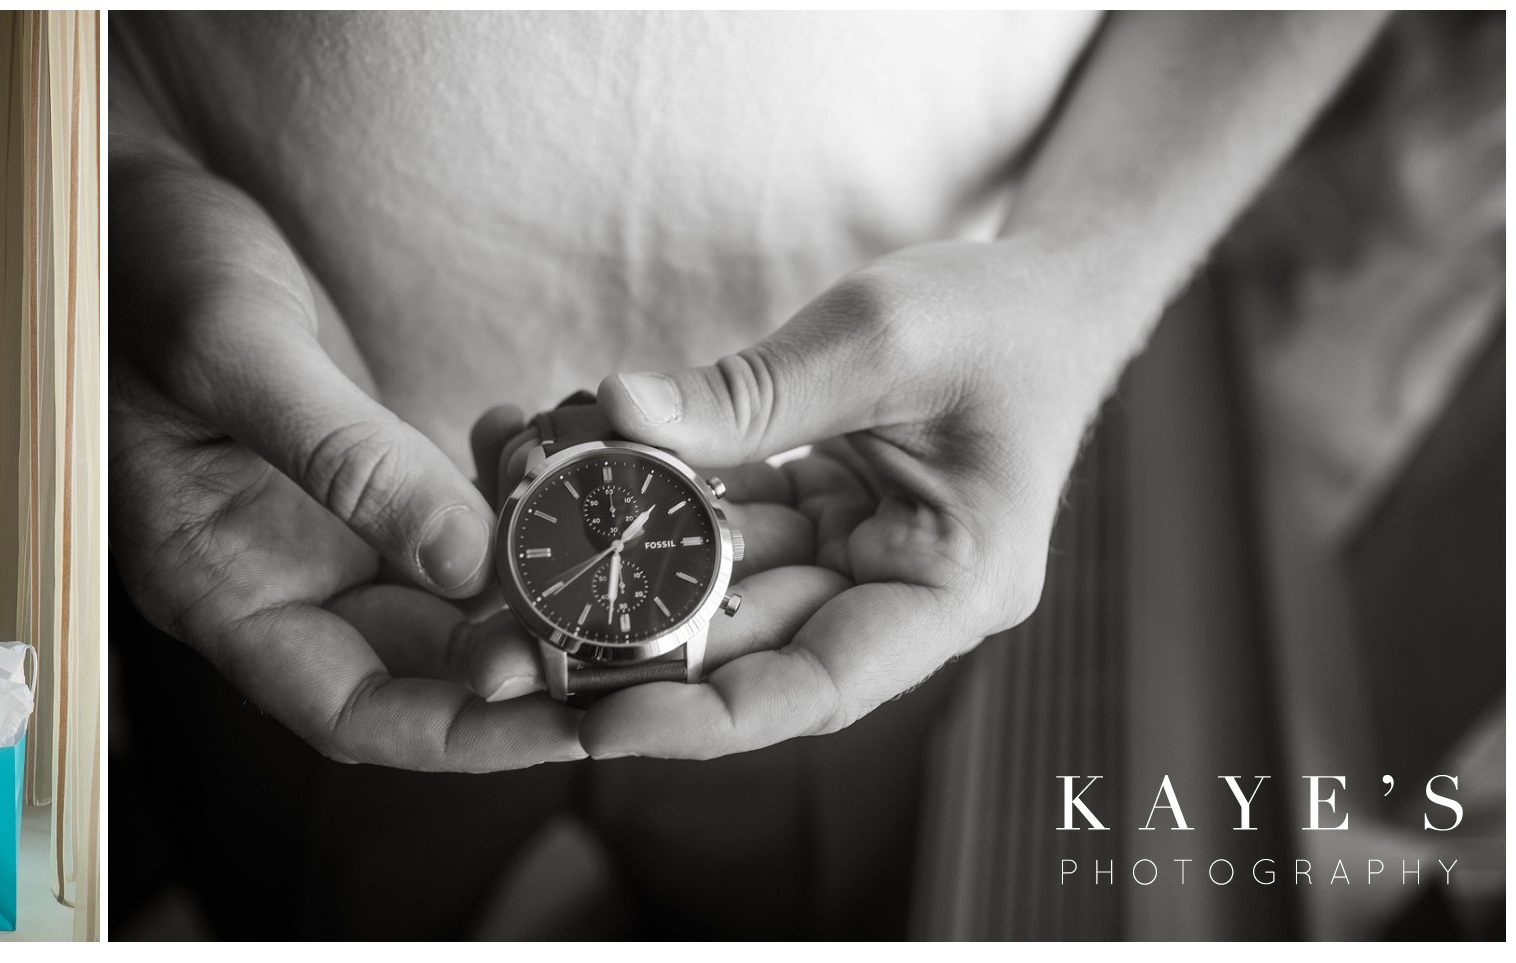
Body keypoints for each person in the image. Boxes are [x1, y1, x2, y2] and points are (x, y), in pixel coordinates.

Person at [112, 12, 1387, 935]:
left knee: (797, 890)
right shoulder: (660, 546)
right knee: (316, 899)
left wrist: (1088, 270)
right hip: (282, 484)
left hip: (860, 498)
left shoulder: (749, 536)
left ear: (700, 535)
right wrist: (108, 169)